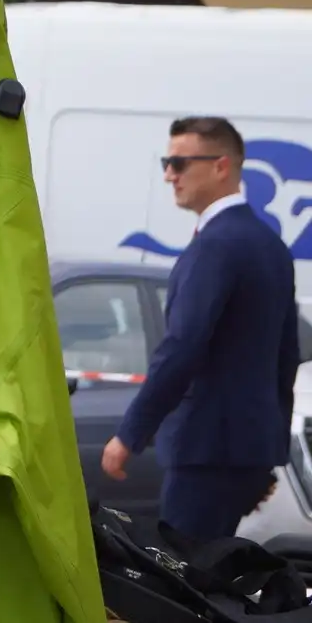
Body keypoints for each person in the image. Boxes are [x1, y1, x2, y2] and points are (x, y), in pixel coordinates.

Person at [104, 116, 300, 545]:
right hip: (243, 453)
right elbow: (285, 358)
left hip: (204, 449)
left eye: (179, 163)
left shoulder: (215, 246)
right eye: (166, 163)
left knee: (183, 571)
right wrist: (267, 455)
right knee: (213, 572)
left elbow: (183, 346)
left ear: (220, 166)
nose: (169, 175)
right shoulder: (271, 247)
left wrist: (129, 434)